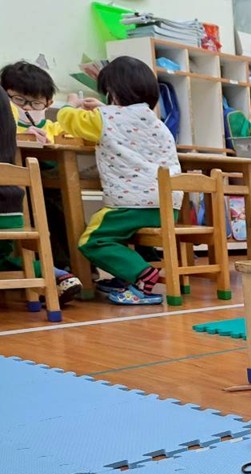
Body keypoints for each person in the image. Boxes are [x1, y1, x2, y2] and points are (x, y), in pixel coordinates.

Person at [56, 56, 181, 306]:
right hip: (168, 206)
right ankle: (127, 276)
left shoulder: (104, 118)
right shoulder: (157, 123)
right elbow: (123, 126)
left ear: (112, 92)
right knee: (118, 235)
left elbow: (68, 120)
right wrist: (104, 109)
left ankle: (141, 274)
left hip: (131, 205)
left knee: (93, 241)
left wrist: (70, 104)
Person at [1, 61, 80, 302]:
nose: (27, 108)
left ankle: (63, 270)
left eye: (36, 103)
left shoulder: (51, 126)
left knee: (58, 207)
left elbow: (68, 136)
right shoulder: (7, 120)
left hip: (46, 185)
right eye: (19, 100)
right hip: (17, 191)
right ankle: (51, 272)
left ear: (47, 103)